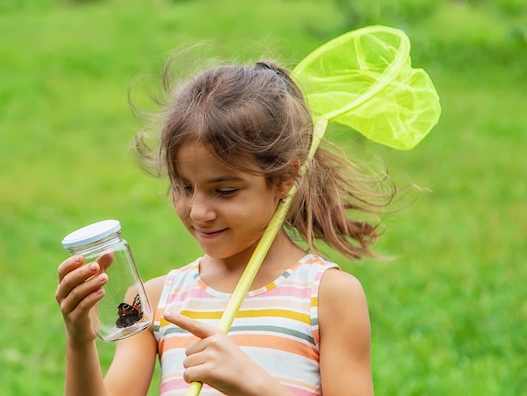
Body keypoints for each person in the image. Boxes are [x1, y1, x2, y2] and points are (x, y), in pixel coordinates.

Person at [55, 58, 397, 395]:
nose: (199, 211)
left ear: (284, 179)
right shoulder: (157, 301)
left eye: (224, 191)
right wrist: (80, 341)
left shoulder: (328, 294)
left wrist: (254, 385)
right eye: (184, 187)